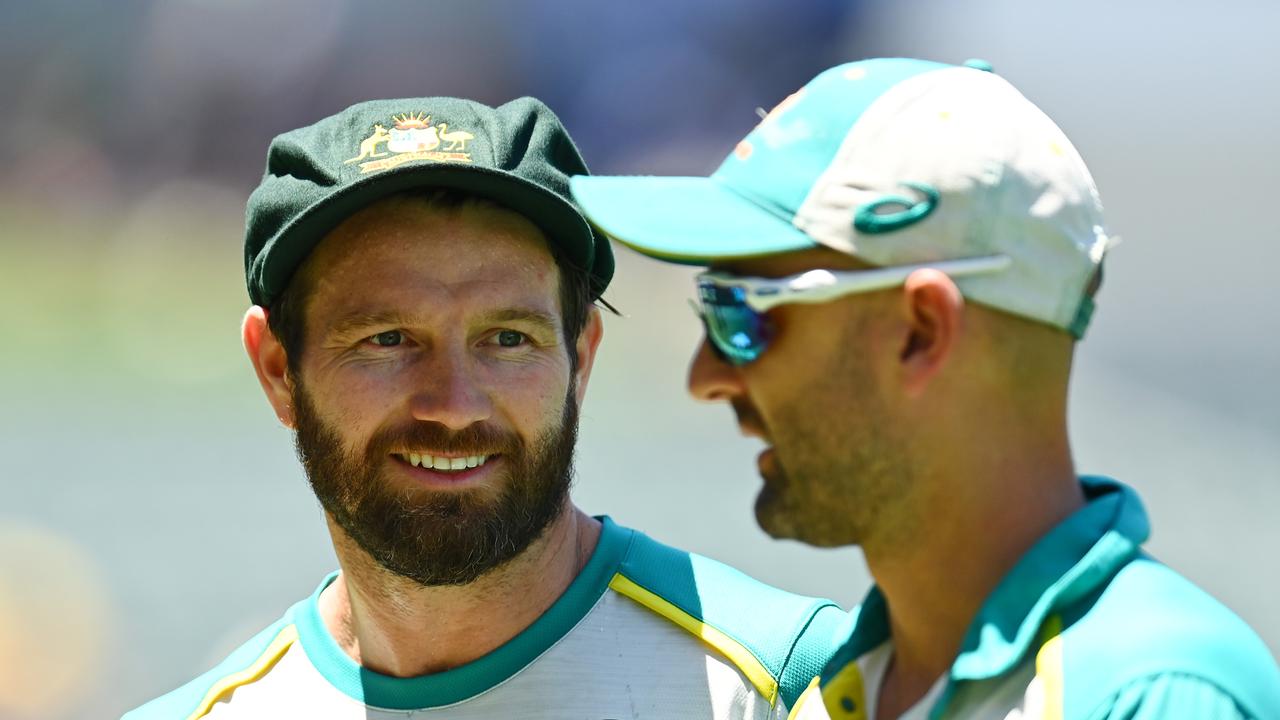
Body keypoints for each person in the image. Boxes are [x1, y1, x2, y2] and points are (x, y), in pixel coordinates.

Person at [570, 58, 1280, 719]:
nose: (705, 379)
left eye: (743, 314)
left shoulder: (1160, 694)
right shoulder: (827, 687)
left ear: (921, 330)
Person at [123, 97, 846, 719]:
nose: (453, 405)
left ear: (581, 358)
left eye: (507, 338)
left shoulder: (805, 684)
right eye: (387, 339)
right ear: (278, 370)